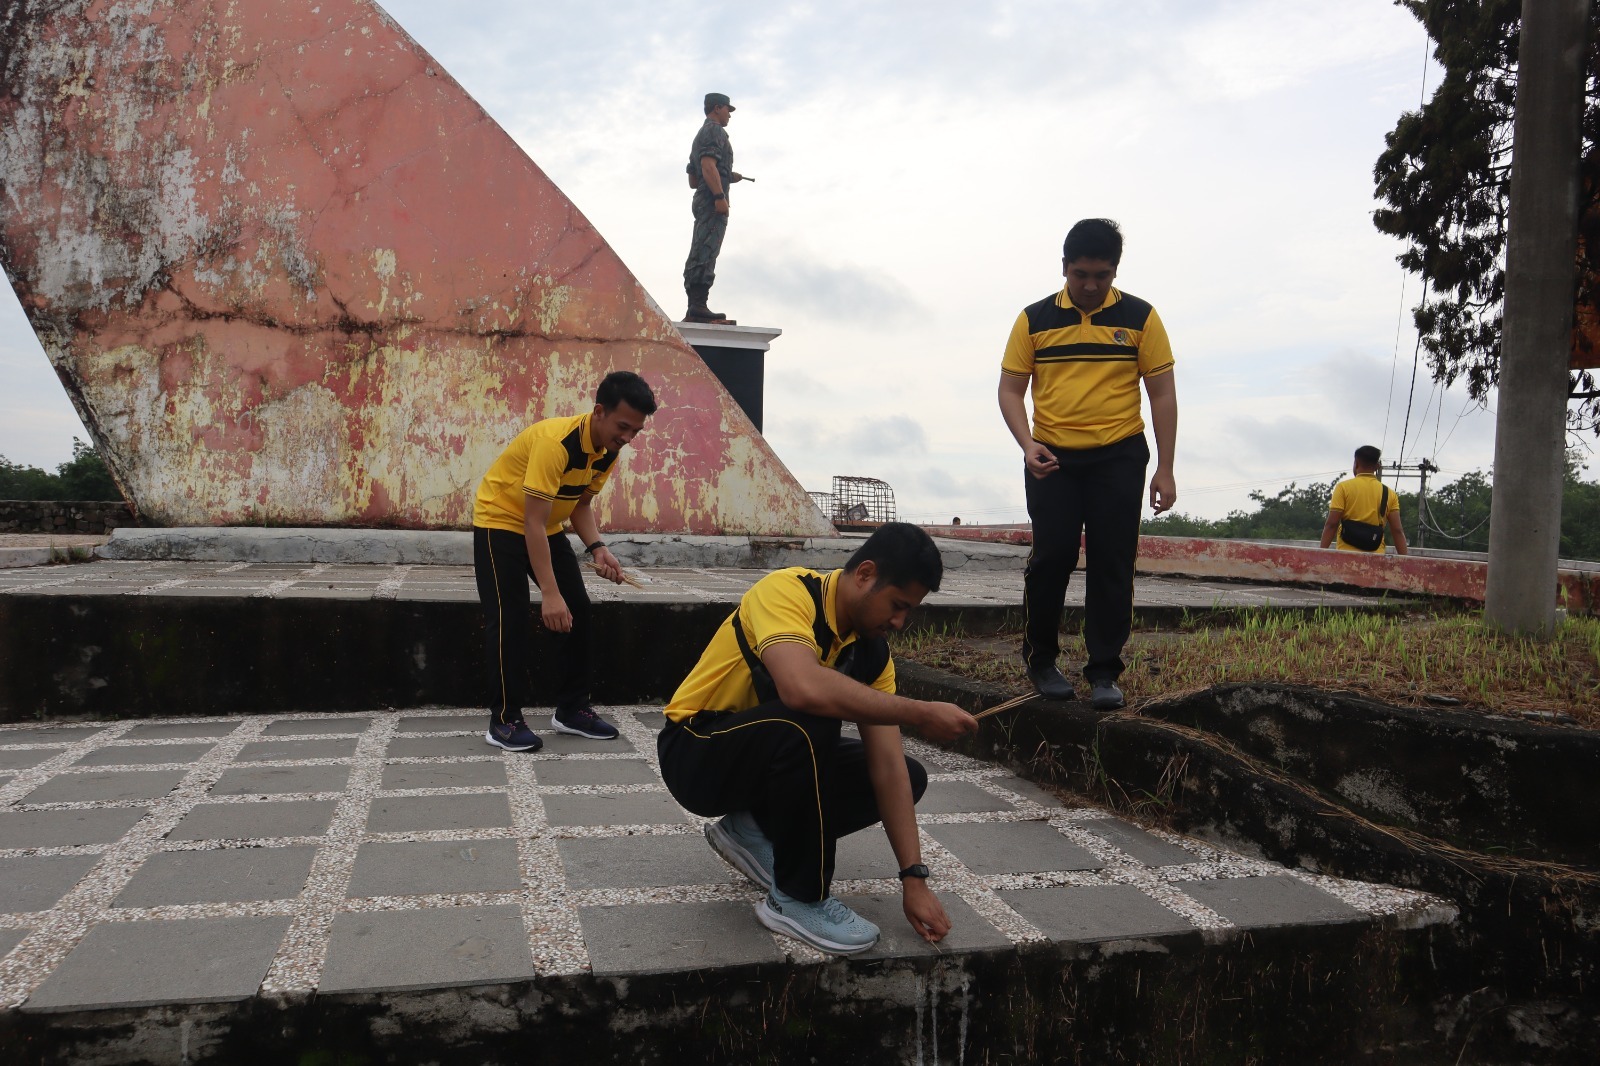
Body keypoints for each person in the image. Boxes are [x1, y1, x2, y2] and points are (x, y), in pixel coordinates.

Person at [658, 523, 979, 955]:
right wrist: (920, 713)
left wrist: (913, 878)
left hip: (761, 758)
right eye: (897, 605)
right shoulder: (787, 592)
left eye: (910, 611)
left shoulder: (871, 652)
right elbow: (802, 688)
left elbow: (886, 767)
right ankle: (796, 899)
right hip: (695, 752)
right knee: (810, 718)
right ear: (865, 574)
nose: (900, 622)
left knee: (906, 773)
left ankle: (752, 829)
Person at [997, 218, 1178, 710]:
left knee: (1112, 561)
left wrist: (1165, 467)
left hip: (1119, 454)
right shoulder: (1034, 320)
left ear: (1115, 270)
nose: (1091, 286)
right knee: (1052, 557)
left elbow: (1161, 394)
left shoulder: (1141, 318)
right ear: (1064, 268)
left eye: (1102, 275)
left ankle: (1104, 671)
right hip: (1052, 455)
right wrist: (1026, 442)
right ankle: (1041, 660)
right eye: (1081, 275)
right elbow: (1010, 389)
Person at [472, 371, 658, 752]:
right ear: (599, 411)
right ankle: (504, 721)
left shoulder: (609, 449)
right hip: (500, 521)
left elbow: (581, 504)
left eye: (635, 432)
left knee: (580, 612)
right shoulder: (554, 444)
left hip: (546, 525)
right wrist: (550, 594)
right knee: (509, 617)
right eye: (623, 426)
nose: (627, 438)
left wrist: (597, 548)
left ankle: (572, 710)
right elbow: (532, 523)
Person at [682, 92, 748, 324]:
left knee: (701, 247)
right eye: (727, 110)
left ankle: (696, 305)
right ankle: (698, 305)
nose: (729, 115)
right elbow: (708, 164)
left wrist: (727, 175)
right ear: (717, 108)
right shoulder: (715, 131)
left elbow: (694, 179)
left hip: (702, 198)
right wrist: (720, 196)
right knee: (707, 249)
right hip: (712, 200)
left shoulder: (699, 135)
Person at [1320, 445, 1408, 555]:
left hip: (1346, 556)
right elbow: (1397, 531)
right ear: (1377, 466)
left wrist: (1320, 554)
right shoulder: (1389, 493)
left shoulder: (1343, 488)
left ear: (1356, 463)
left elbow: (1332, 524)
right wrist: (1405, 561)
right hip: (1376, 557)